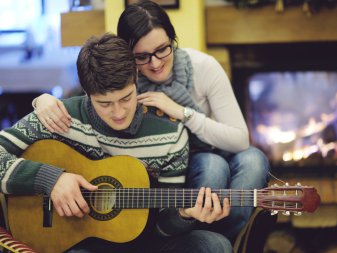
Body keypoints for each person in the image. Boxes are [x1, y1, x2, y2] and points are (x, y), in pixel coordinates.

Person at [31, 0, 270, 243]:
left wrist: (181, 112)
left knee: (254, 160)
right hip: (177, 164)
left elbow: (240, 140)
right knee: (213, 166)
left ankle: (229, 239)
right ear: (127, 56)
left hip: (213, 146)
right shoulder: (125, 79)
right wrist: (43, 100)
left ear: (173, 40)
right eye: (142, 57)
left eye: (162, 49)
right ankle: (201, 236)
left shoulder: (203, 67)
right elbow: (90, 96)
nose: (155, 63)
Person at [0, 33, 232, 253]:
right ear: (87, 92)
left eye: (126, 98)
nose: (118, 112)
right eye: (105, 103)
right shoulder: (58, 117)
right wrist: (51, 180)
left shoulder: (171, 134)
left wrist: (184, 214)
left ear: (136, 79)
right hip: (79, 242)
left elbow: (162, 227)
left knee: (215, 245)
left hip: (145, 242)